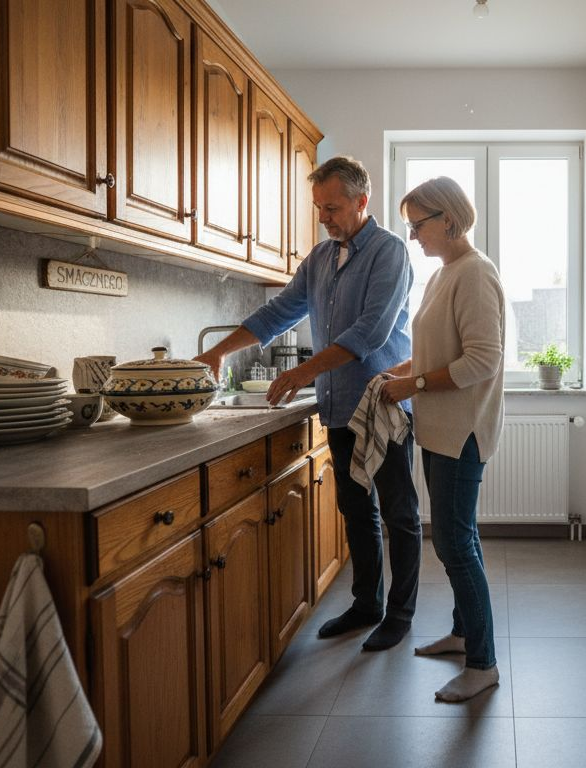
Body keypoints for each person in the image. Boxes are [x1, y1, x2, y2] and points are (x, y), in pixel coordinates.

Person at [195, 156, 421, 652]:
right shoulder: (319, 258)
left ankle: (400, 614)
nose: (323, 217)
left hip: (382, 404)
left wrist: (303, 372)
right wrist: (219, 351)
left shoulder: (390, 252)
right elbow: (278, 312)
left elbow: (370, 332)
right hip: (338, 407)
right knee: (356, 512)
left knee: (399, 515)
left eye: (332, 208)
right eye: (319, 207)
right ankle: (367, 605)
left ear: (362, 202)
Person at [379, 176, 505, 702]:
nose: (412, 236)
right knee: (460, 538)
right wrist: (400, 372)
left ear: (447, 219)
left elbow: (483, 359)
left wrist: (414, 385)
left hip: (462, 433)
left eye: (418, 225)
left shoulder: (475, 273)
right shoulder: (442, 275)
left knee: (455, 544)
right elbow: (438, 350)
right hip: (440, 430)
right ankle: (462, 633)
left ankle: (483, 664)